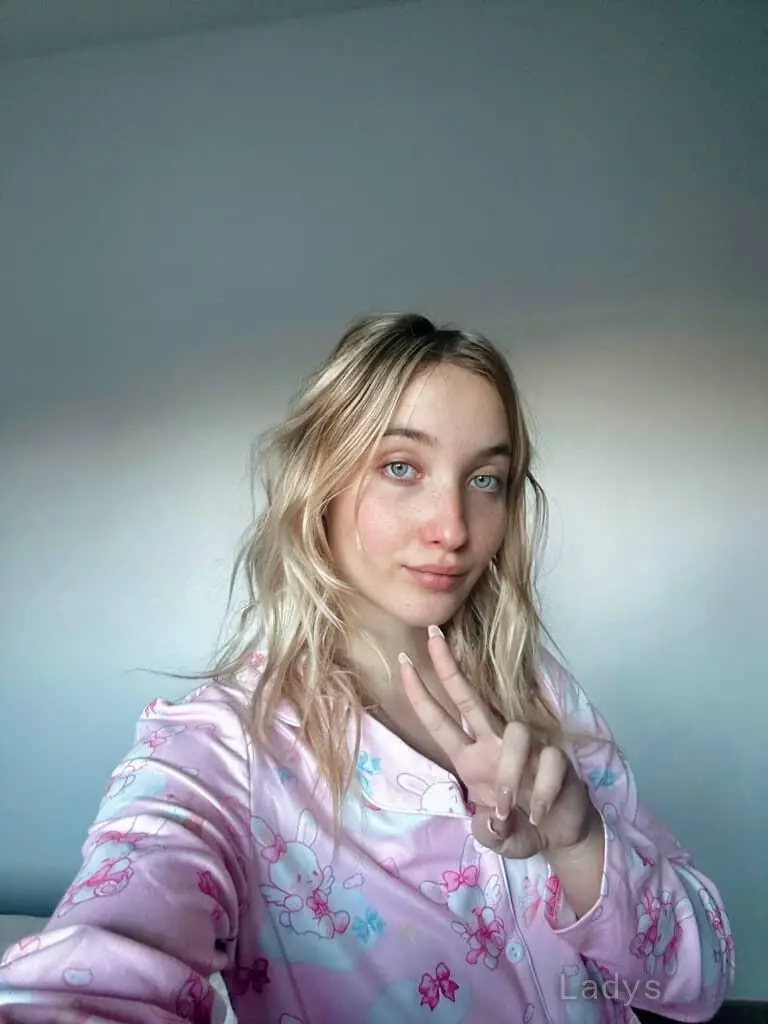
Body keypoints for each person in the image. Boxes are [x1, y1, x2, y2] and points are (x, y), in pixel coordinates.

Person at [0, 314, 733, 1024]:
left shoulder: (542, 692)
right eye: (401, 467)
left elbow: (699, 984)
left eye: (486, 479)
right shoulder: (222, 752)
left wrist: (580, 844)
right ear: (320, 480)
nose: (452, 528)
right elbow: (102, 959)